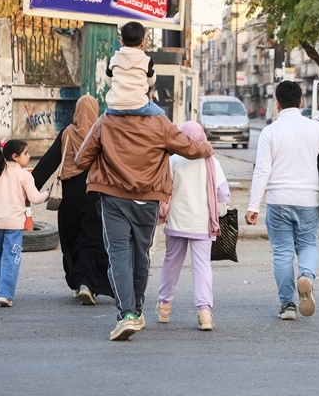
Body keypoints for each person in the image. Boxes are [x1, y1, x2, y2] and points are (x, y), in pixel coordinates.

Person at [74, 104, 214, 341]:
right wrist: (207, 146)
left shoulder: (106, 121)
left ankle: (128, 314)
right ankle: (136, 311)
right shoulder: (160, 123)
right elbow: (189, 148)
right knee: (141, 255)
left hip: (113, 198)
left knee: (118, 255)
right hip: (148, 199)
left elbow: (81, 159)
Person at [246, 80, 319, 321]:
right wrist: (314, 167)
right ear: (301, 102)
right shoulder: (316, 128)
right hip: (309, 199)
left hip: (278, 200)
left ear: (277, 104)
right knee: (309, 245)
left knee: (282, 253)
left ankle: (288, 305)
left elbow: (262, 171)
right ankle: (307, 278)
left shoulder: (270, 132)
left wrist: (253, 206)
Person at [32, 95, 113, 305]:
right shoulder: (102, 134)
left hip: (69, 198)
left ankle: (80, 282)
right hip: (94, 196)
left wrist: (26, 190)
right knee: (91, 240)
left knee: (72, 240)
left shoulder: (67, 134)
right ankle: (87, 283)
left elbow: (48, 163)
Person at [155, 121, 231, 331]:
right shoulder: (212, 162)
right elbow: (223, 194)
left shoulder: (174, 160)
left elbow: (164, 189)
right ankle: (204, 312)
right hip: (202, 223)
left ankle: (164, 307)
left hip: (178, 221)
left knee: (172, 263)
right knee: (202, 266)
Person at [0, 139, 50, 307]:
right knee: (11, 257)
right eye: (26, 153)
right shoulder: (24, 175)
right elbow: (35, 198)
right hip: (14, 224)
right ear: (15, 156)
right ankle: (5, 294)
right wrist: (47, 194)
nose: (29, 157)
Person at [104, 21, 163, 117]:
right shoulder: (146, 60)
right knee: (162, 114)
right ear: (143, 42)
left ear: (121, 41)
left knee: (103, 119)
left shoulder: (113, 60)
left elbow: (109, 81)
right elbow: (151, 81)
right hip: (139, 106)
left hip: (115, 107)